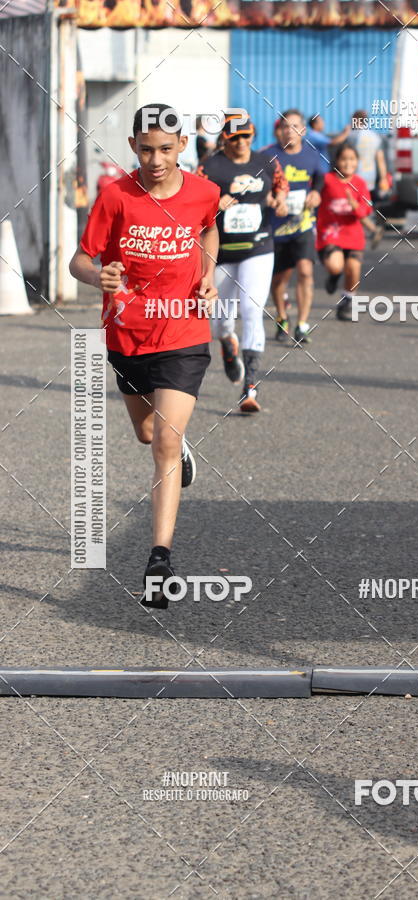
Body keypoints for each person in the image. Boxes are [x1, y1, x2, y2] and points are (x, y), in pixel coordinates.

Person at [69, 103, 220, 608]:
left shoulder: (203, 192)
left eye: (166, 149)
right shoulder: (116, 197)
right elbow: (79, 260)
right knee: (148, 433)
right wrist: (98, 275)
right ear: (134, 146)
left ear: (182, 146)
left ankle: (160, 559)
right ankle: (177, 447)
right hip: (126, 336)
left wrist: (208, 274)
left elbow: (208, 228)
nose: (156, 160)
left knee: (165, 444)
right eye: (147, 149)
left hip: (183, 331)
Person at [201, 116, 289, 413]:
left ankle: (250, 387)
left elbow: (281, 186)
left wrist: (280, 200)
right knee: (220, 321)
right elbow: (192, 200)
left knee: (252, 309)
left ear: (253, 135)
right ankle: (228, 342)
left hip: (259, 247)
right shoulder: (210, 166)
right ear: (224, 138)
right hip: (223, 251)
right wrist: (213, 203)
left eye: (246, 136)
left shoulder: (267, 162)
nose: (241, 142)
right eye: (234, 137)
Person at [268, 109, 323, 344]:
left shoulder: (312, 155)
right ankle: (282, 316)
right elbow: (259, 187)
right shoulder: (268, 156)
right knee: (279, 279)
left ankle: (302, 324)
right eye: (284, 127)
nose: (289, 131)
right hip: (276, 227)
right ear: (278, 131)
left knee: (305, 271)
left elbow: (320, 179)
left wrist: (316, 193)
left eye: (294, 126)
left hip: (303, 224)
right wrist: (272, 200)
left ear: (303, 130)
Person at [316, 142, 371, 321]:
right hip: (330, 233)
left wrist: (356, 207)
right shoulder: (326, 180)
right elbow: (313, 193)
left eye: (352, 159)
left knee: (354, 269)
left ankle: (346, 301)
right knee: (336, 265)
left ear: (357, 161)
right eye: (344, 159)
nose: (348, 163)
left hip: (353, 235)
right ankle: (334, 276)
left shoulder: (360, 183)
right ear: (337, 161)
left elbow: (366, 210)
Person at [346, 109, 387, 248]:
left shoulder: (352, 136)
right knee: (366, 204)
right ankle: (370, 229)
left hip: (354, 176)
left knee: (353, 205)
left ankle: (366, 231)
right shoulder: (375, 137)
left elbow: (346, 156)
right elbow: (380, 159)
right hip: (370, 178)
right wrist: (383, 178)